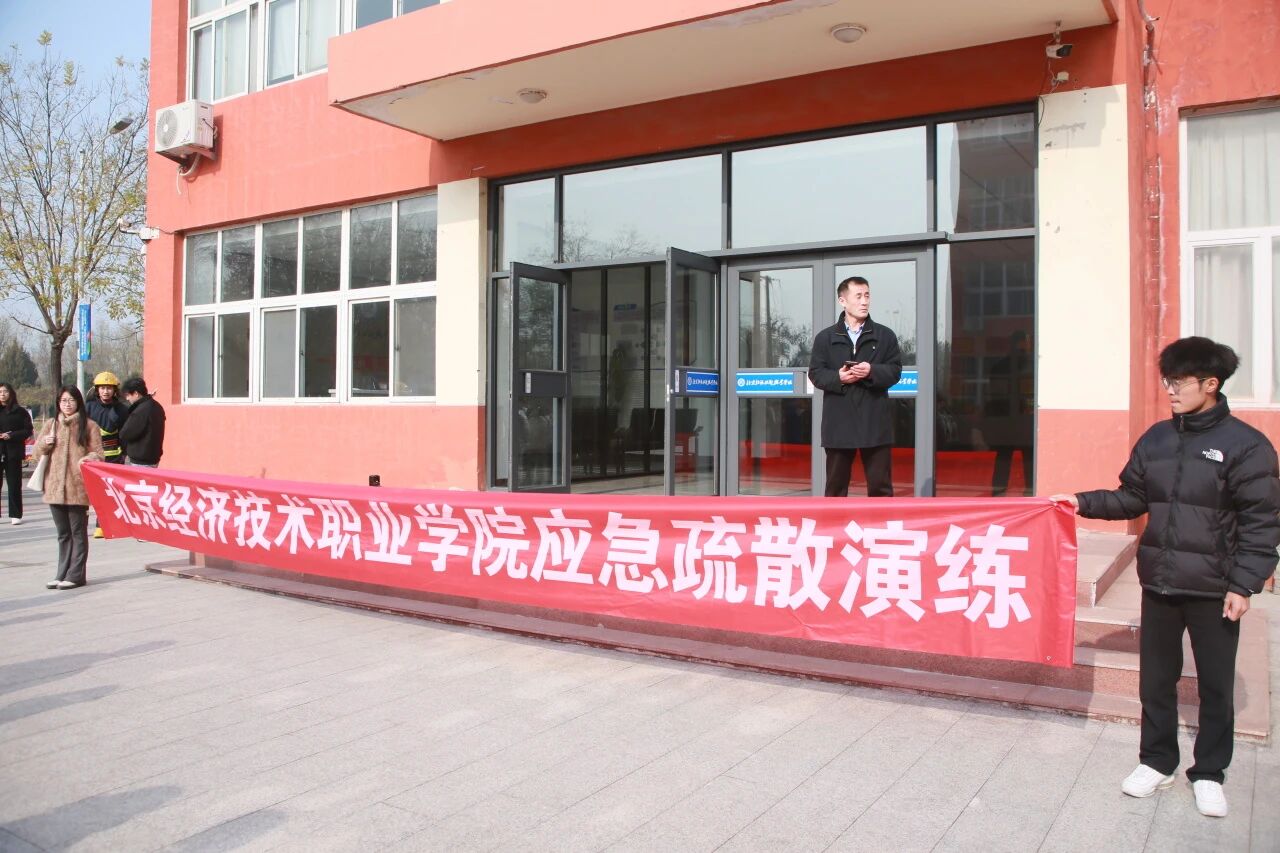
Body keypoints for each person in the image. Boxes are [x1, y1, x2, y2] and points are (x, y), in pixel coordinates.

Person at [1052, 337, 1280, 818]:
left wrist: (1244, 584)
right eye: (1167, 381)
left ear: (1210, 384)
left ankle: (1210, 772)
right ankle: (1156, 761)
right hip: (1159, 581)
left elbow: (1262, 522)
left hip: (1215, 587)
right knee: (1156, 680)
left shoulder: (1247, 446)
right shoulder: (1157, 438)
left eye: (1179, 382)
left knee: (1215, 685)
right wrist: (1080, 501)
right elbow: (1131, 497)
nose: (1170, 390)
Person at [807, 276, 903, 497]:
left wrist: (871, 371)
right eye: (858, 296)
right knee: (835, 488)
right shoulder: (825, 338)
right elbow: (816, 373)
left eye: (867, 295)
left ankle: (881, 521)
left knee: (880, 487)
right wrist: (839, 377)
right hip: (839, 423)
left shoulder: (885, 336)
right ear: (842, 301)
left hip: (874, 422)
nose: (864, 301)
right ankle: (834, 521)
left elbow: (895, 371)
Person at [35, 386, 104, 590]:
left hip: (77, 487)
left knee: (78, 532)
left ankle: (76, 575)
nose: (67, 404)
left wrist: (87, 458)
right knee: (63, 534)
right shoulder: (51, 424)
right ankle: (62, 573)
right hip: (54, 487)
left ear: (78, 402)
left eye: (71, 400)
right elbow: (36, 454)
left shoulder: (89, 425)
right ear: (58, 403)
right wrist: (45, 444)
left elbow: (99, 454)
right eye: (63, 400)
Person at [85, 371, 128, 537]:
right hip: (93, 458)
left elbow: (124, 434)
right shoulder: (89, 407)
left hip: (114, 457)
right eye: (102, 388)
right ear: (97, 389)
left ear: (115, 390)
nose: (105, 391)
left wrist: (123, 454)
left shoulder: (121, 409)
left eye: (109, 388)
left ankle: (103, 525)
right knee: (94, 493)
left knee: (110, 492)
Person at [0, 383, 34, 525]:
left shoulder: (20, 412)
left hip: (13, 452)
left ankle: (15, 514)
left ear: (11, 393)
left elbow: (28, 430)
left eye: (5, 391)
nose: (2, 394)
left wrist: (12, 435)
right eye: (0, 392)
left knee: (14, 484)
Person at [119, 377, 165, 467]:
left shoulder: (140, 410)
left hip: (141, 460)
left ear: (136, 393)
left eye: (128, 395)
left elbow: (125, 434)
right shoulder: (157, 406)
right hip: (153, 458)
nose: (127, 398)